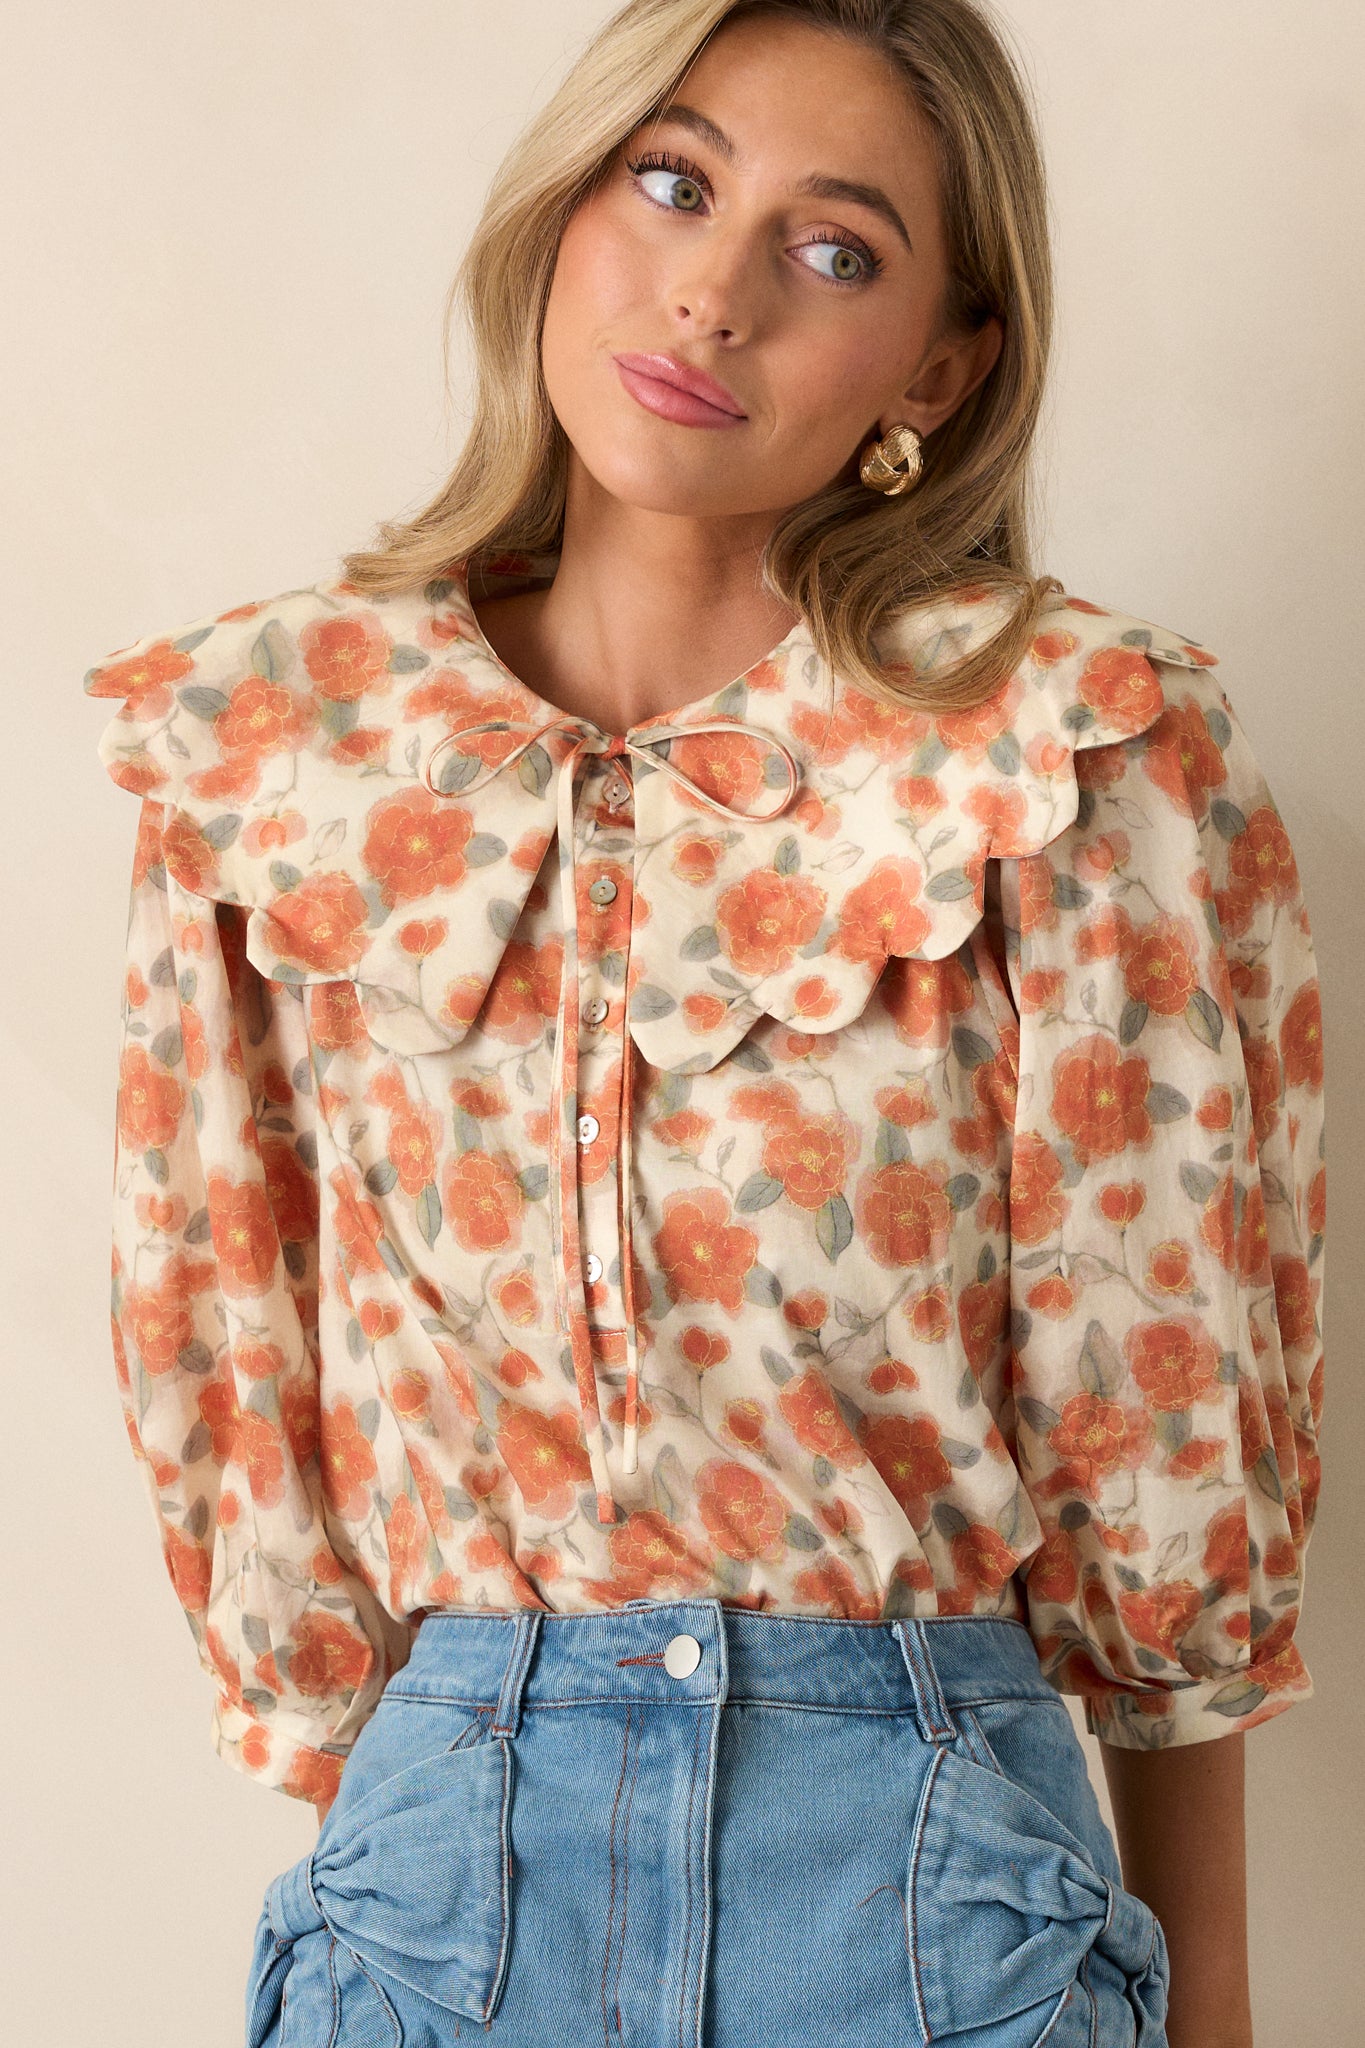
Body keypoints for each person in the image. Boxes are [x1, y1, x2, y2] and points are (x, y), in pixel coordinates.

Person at [84, 3, 1325, 2044]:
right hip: (435, 1900)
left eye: (830, 250)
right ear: (569, 205)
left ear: (937, 365)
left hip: (935, 1903)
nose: (710, 291)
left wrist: (1217, 2013)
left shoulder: (1061, 755)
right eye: (670, 179)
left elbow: (1165, 1422)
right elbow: (228, 1354)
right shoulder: (279, 749)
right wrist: (426, 1811)